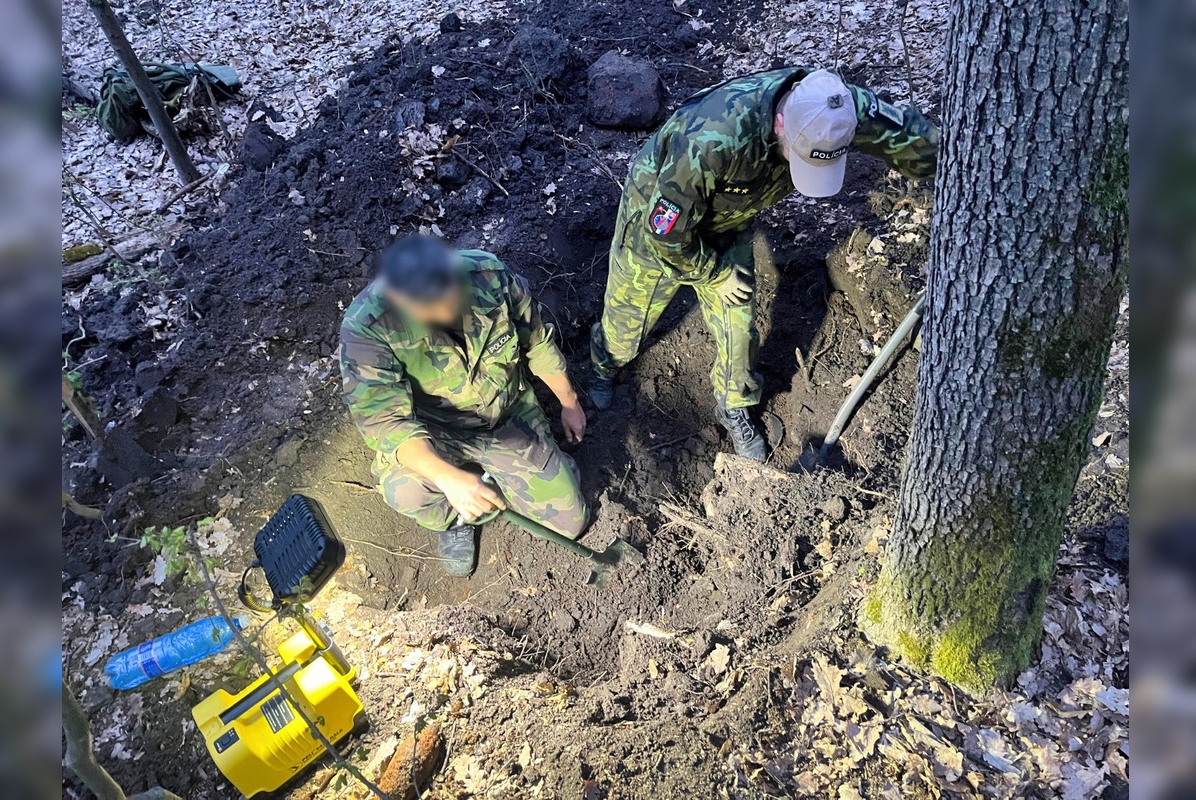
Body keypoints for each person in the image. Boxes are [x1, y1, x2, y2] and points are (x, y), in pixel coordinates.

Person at [588, 67, 940, 460]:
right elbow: (664, 233)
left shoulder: (835, 111)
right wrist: (714, 274)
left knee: (739, 324)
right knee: (629, 317)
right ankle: (604, 364)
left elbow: (914, 139)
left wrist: (956, 166)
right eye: (801, 157)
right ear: (778, 122)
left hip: (729, 218)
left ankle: (734, 404)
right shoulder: (711, 139)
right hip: (661, 214)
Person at [340, 235, 589, 577]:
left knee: (570, 523)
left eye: (450, 296)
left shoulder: (487, 274)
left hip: (507, 417)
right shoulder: (368, 328)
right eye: (431, 307)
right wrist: (448, 479)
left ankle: (516, 474)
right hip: (437, 433)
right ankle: (456, 517)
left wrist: (569, 402)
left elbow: (536, 342)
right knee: (406, 492)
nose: (447, 311)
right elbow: (386, 424)